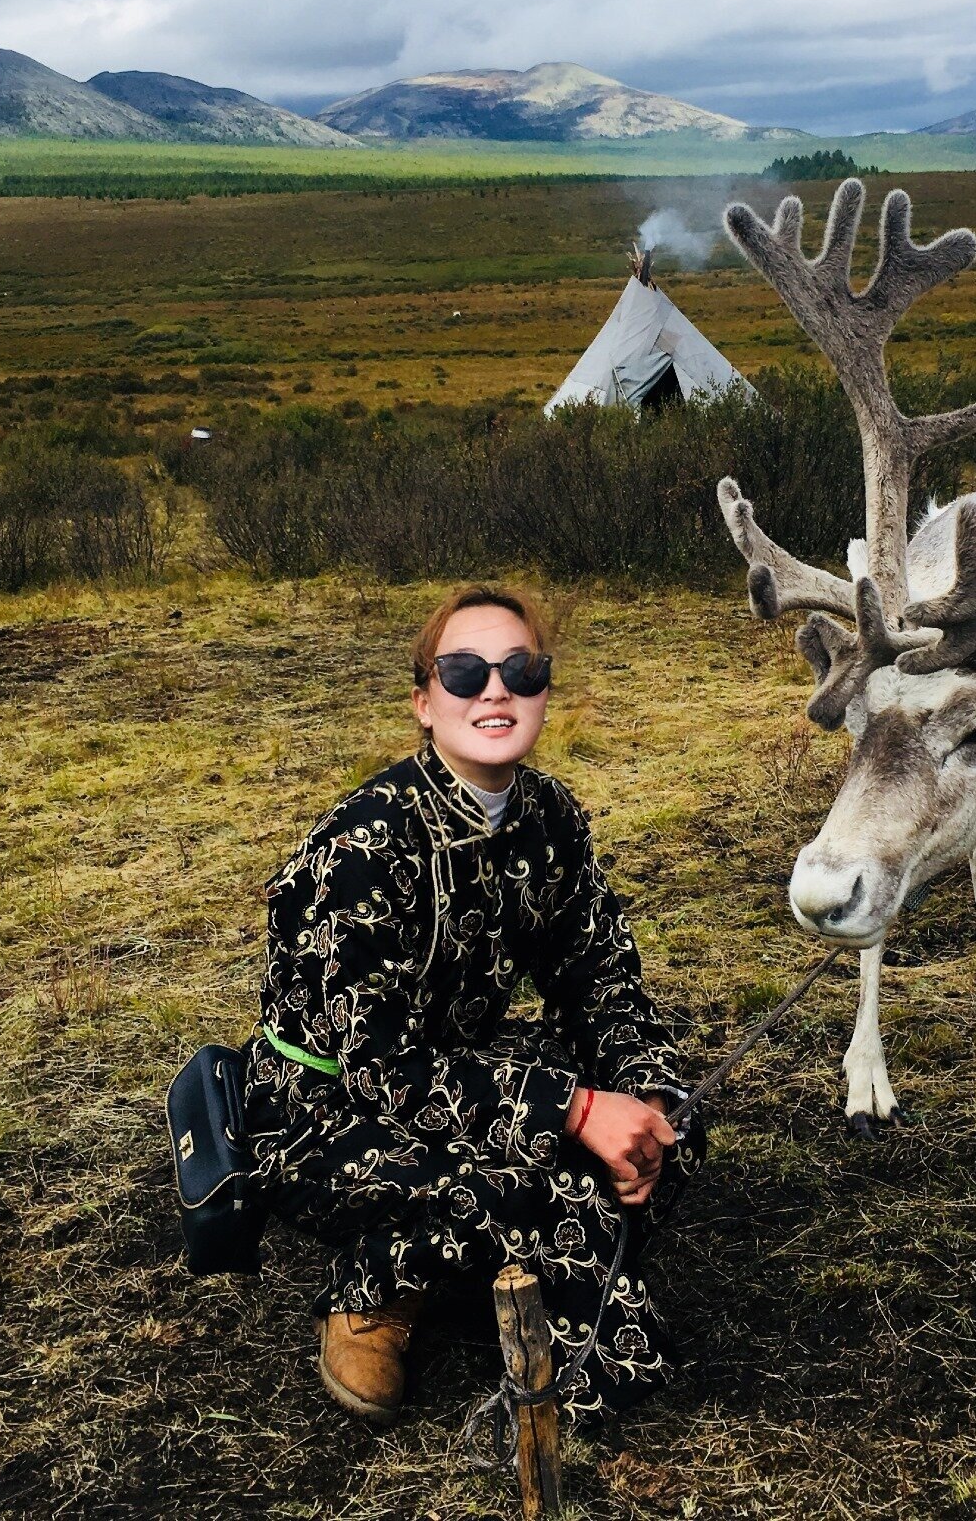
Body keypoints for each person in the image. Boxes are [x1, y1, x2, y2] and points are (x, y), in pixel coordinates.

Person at [244, 584, 701, 1425]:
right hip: (326, 1110)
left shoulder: (552, 815)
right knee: (541, 1178)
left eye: (519, 669)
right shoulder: (363, 845)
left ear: (543, 691)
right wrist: (573, 1110)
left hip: (455, 1067)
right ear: (424, 701)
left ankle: (504, 1254)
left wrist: (646, 1097)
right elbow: (382, 1068)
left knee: (669, 1127)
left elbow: (599, 977)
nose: (494, 690)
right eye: (463, 672)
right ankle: (376, 1287)